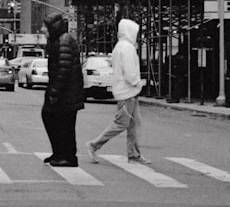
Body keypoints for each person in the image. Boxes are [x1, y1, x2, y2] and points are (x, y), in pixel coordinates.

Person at [86, 18, 151, 165]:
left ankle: (134, 154)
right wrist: (137, 83)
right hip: (127, 91)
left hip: (126, 91)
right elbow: (130, 72)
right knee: (121, 123)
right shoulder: (127, 48)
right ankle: (94, 145)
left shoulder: (120, 46)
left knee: (133, 124)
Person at [41, 13, 85, 167]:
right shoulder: (58, 40)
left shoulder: (63, 41)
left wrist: (54, 92)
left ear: (53, 27)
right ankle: (60, 154)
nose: (42, 30)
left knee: (63, 124)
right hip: (65, 92)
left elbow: (63, 69)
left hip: (67, 94)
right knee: (56, 121)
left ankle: (67, 157)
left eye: (45, 27)